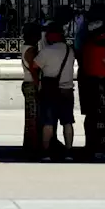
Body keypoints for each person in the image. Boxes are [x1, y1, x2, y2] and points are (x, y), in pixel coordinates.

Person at [34, 22, 75, 161]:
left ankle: (46, 153)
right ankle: (69, 151)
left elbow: (34, 65)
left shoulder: (46, 51)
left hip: (50, 90)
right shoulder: (70, 50)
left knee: (48, 122)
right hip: (67, 90)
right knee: (67, 122)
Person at [79, 19, 105, 160]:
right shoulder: (100, 49)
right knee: (103, 118)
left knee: (91, 116)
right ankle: (101, 147)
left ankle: (90, 145)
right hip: (102, 85)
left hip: (89, 83)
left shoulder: (87, 47)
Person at [18, 23, 41, 157]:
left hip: (28, 83)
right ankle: (32, 145)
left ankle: (30, 143)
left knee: (31, 116)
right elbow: (33, 70)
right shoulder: (31, 50)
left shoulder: (26, 47)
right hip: (31, 84)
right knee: (33, 117)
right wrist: (38, 85)